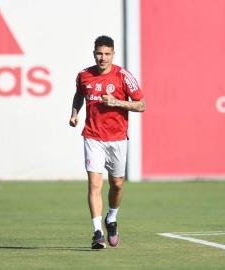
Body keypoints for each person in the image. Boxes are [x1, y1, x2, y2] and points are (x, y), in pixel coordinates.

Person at [69, 35, 146, 249]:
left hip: (118, 138)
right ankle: (97, 232)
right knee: (95, 184)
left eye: (107, 54)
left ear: (113, 54)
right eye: (99, 54)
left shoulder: (123, 76)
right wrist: (75, 113)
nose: (103, 58)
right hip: (93, 136)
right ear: (94, 53)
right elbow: (79, 95)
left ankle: (111, 218)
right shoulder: (84, 75)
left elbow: (142, 105)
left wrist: (117, 102)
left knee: (117, 185)